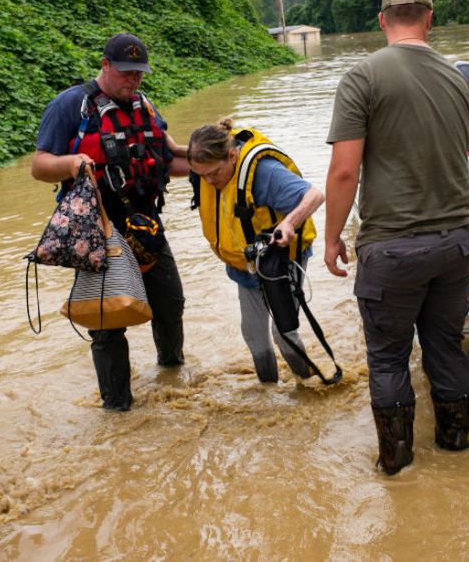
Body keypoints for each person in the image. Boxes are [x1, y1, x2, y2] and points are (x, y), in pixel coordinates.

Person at [324, 0, 469, 475]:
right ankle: (456, 445)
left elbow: (345, 170)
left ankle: (396, 465)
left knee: (389, 360)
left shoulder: (362, 77)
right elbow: (465, 150)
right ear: (430, 17)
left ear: (382, 20)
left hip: (393, 247)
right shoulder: (460, 79)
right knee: (446, 347)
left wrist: (330, 238)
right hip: (457, 242)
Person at [31, 33, 189, 411]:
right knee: (106, 323)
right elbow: (39, 165)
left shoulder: (144, 106)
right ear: (105, 65)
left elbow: (169, 158)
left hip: (145, 226)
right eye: (125, 73)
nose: (132, 81)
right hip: (98, 230)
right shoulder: (72, 105)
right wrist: (69, 164)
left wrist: (215, 162)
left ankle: (172, 375)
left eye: (138, 74)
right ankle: (118, 409)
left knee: (170, 303)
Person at [186, 119, 324, 383]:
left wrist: (289, 222)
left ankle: (309, 385)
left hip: (279, 261)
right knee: (253, 334)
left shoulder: (264, 172)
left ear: (232, 155)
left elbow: (314, 195)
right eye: (201, 175)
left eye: (213, 173)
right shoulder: (206, 167)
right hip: (245, 263)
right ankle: (268, 390)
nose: (207, 180)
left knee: (283, 334)